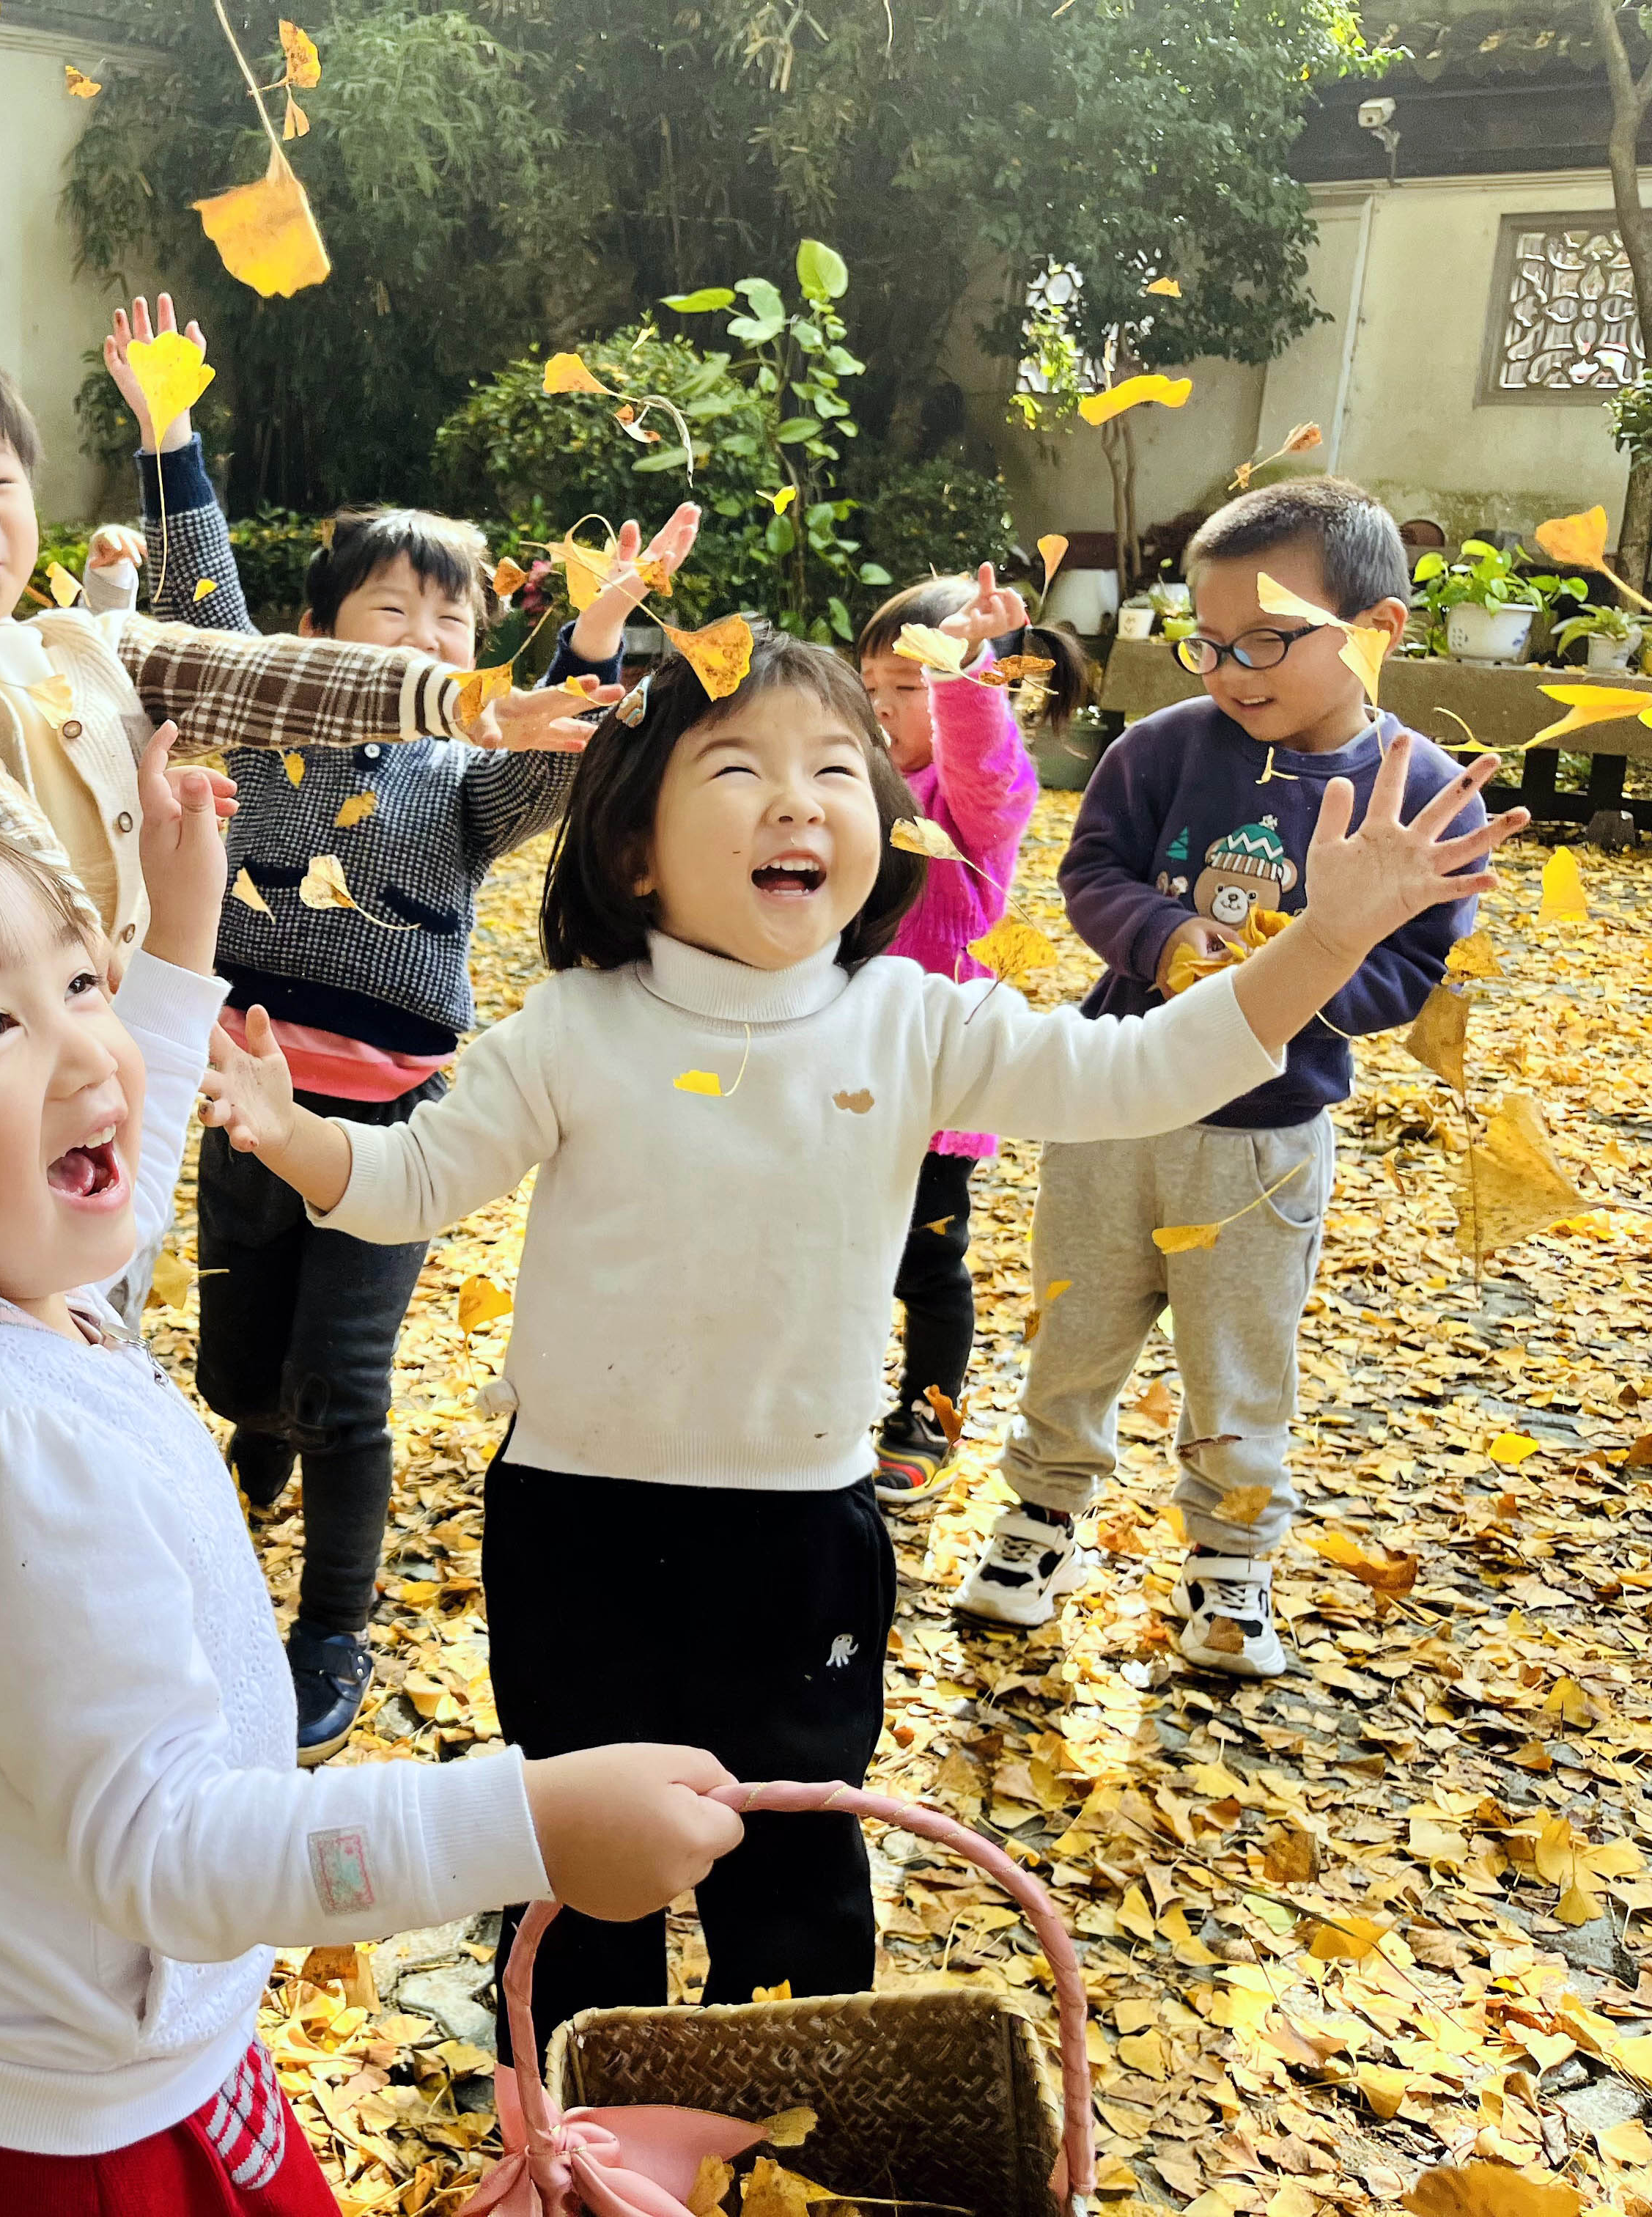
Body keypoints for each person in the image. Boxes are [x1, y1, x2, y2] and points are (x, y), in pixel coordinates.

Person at [197, 619, 1521, 2054]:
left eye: (837, 765)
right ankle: (577, 2106)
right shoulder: (573, 1030)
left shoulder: (914, 1023)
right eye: (739, 767)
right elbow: (411, 1186)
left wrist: (1325, 938)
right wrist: (293, 1137)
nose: (798, 797)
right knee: (577, 1854)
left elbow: (1148, 1069)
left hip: (799, 1533)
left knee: (796, 1857)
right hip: (571, 1521)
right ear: (634, 847)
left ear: (881, 827)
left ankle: (785, 2107)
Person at [0, 726, 743, 2216]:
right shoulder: (5, 1444)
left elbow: (118, 1156)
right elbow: (167, 1850)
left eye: (79, 980)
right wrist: (526, 1825)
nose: (93, 1053)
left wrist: (173, 934)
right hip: (68, 2117)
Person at [82, 292, 693, 1761]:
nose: (429, 636)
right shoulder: (265, 721)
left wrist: (593, 645)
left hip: (389, 1130)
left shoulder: (459, 789)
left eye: (453, 616)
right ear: (325, 633)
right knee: (244, 1370)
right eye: (393, 610)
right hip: (246, 1101)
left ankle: (330, 1627)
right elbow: (203, 606)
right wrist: (170, 436)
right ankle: (259, 1418)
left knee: (345, 1387)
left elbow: (543, 767)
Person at [958, 477, 1491, 1679]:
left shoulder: (1421, 790)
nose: (1231, 669)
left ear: (1377, 628)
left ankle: (1229, 1564)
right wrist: (1163, 937)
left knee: (1239, 1354)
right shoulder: (1159, 750)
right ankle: (1039, 1519)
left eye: (1266, 639)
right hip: (1114, 1107)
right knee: (1074, 1323)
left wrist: (1297, 973)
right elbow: (1091, 868)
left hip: (1263, 1137)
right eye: (1207, 642)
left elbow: (1405, 972)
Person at [0, 334, 605, 963]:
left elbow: (255, 673)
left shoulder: (82, 641)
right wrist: (96, 979)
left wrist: (457, 698)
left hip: (93, 1028)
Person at [846, 567, 1088, 1512]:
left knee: (928, 1264)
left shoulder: (975, 799)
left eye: (906, 690)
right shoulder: (857, 783)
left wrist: (962, 672)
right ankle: (832, 1396)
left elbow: (982, 761)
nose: (886, 710)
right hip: (844, 1066)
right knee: (835, 1245)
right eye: (876, 689)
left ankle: (925, 1417)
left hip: (939, 1083)